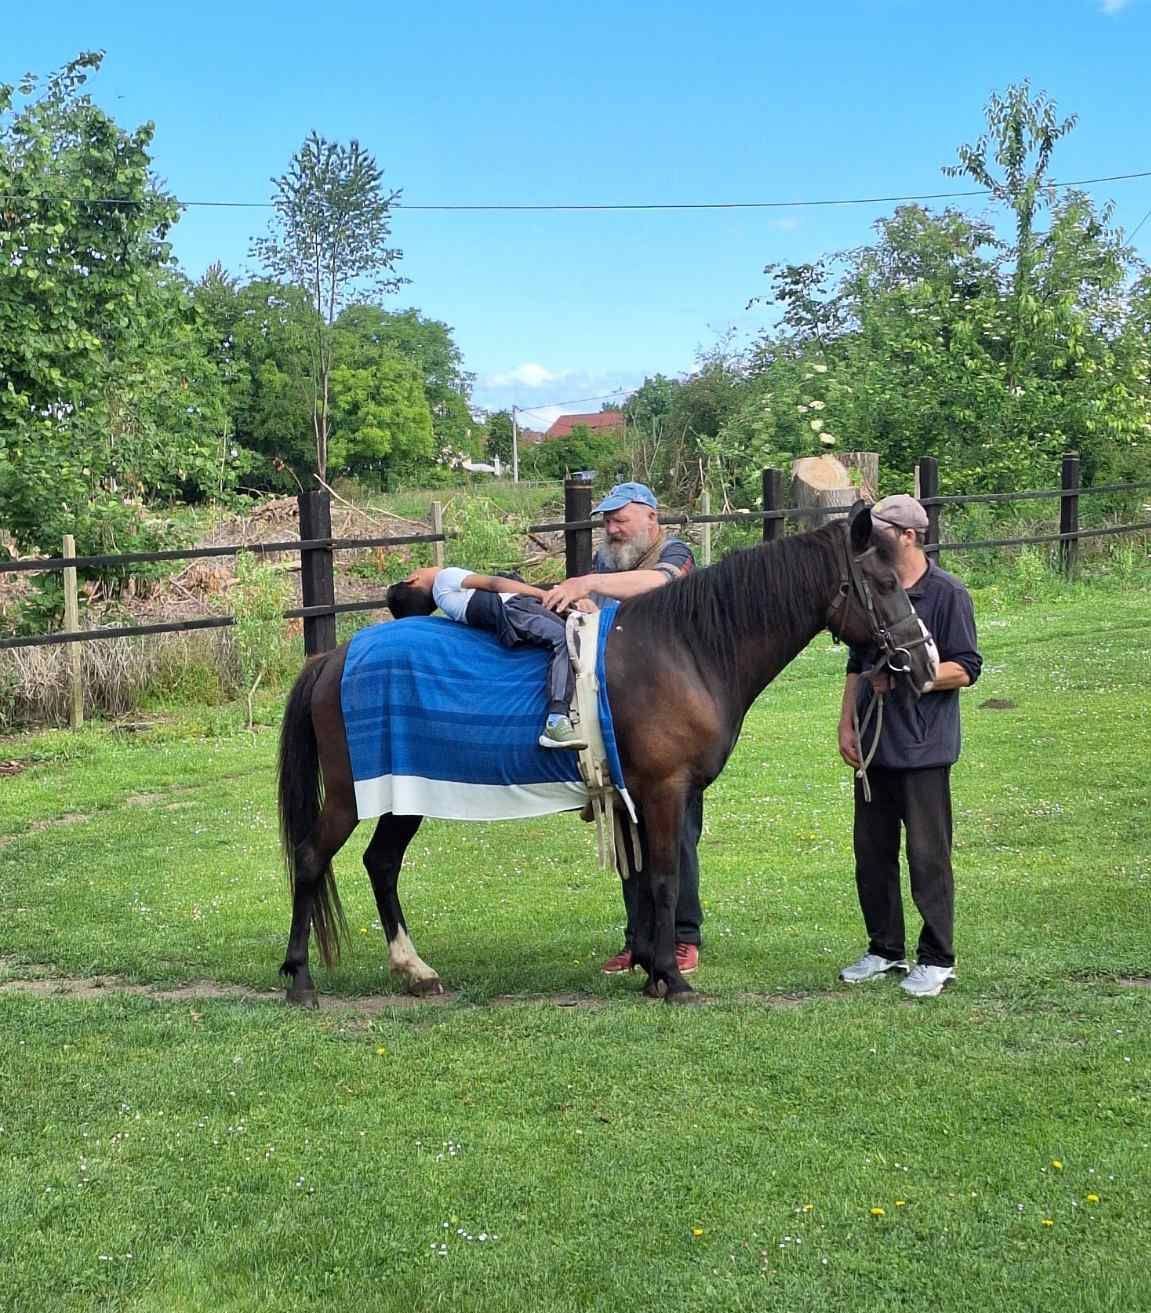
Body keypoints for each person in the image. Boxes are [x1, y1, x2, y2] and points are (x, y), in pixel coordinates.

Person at [542, 482, 703, 977]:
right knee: (625, 825)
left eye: (620, 519)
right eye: (607, 521)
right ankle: (638, 939)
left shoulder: (674, 553)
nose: (611, 528)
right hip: (622, 709)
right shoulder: (605, 559)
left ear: (651, 517)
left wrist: (591, 586)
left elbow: (660, 583)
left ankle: (682, 937)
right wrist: (586, 607)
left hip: (675, 710)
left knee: (675, 829)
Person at [837, 494, 982, 998]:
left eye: (881, 530)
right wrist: (846, 724)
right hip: (875, 743)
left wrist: (906, 675)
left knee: (927, 857)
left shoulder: (947, 594)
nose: (872, 537)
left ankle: (938, 959)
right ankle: (884, 949)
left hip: (924, 748)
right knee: (871, 854)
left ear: (909, 535)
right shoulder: (875, 584)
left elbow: (965, 667)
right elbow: (856, 662)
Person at [386, 566, 585, 749]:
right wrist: (541, 593)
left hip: (515, 611)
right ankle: (556, 718)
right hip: (515, 609)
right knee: (563, 638)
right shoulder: (443, 578)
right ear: (413, 579)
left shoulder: (447, 602)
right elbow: (494, 584)